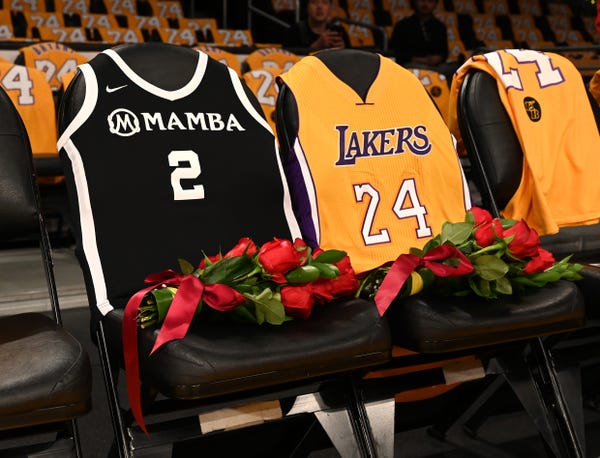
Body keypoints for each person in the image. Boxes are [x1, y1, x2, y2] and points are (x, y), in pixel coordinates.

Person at [390, 0, 448, 67]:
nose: (425, 4)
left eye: (430, 1)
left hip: (437, 66)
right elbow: (396, 51)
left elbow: (444, 52)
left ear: (435, 4)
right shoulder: (402, 25)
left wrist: (438, 58)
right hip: (410, 65)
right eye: (421, 0)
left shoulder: (440, 27)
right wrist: (416, 59)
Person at [282, 0, 350, 50]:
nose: (319, 7)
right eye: (314, 2)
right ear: (307, 7)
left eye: (324, 2)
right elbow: (289, 59)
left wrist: (343, 50)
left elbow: (351, 58)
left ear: (330, 8)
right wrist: (315, 46)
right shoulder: (293, 32)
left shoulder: (338, 31)